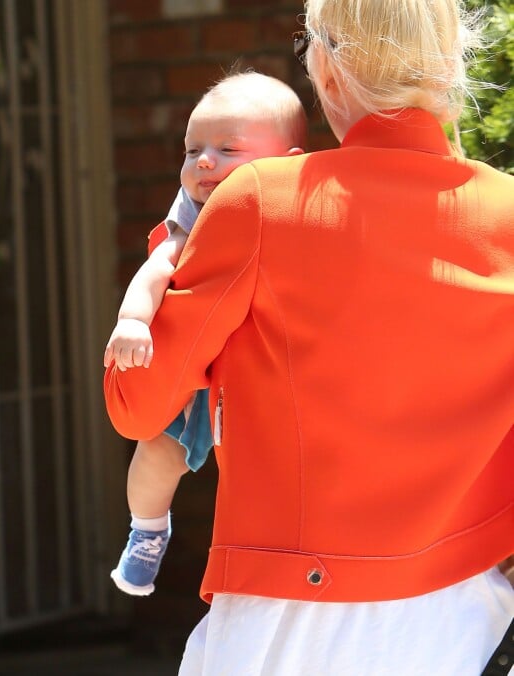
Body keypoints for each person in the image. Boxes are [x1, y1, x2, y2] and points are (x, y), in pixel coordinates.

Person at [104, 0, 514, 672]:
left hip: (290, 631)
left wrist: (172, 254)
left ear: (325, 71)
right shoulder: (508, 212)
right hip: (467, 617)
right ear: (447, 67)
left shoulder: (259, 201)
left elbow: (136, 405)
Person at [104, 71, 307, 596]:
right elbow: (156, 268)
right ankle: (146, 531)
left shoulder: (303, 215)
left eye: (227, 148)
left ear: (287, 164)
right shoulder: (194, 217)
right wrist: (131, 321)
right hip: (195, 375)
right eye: (193, 151)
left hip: (265, 382)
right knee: (157, 454)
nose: (205, 162)